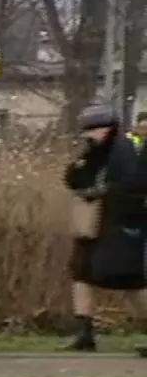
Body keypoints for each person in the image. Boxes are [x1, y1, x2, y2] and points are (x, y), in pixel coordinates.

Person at [63, 104, 146, 354]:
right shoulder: (93, 152)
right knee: (81, 272)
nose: (88, 136)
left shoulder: (124, 151)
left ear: (107, 129)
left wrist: (107, 194)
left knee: (133, 281)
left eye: (93, 130)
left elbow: (133, 185)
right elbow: (74, 179)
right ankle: (84, 333)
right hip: (95, 223)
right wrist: (80, 166)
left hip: (121, 224)